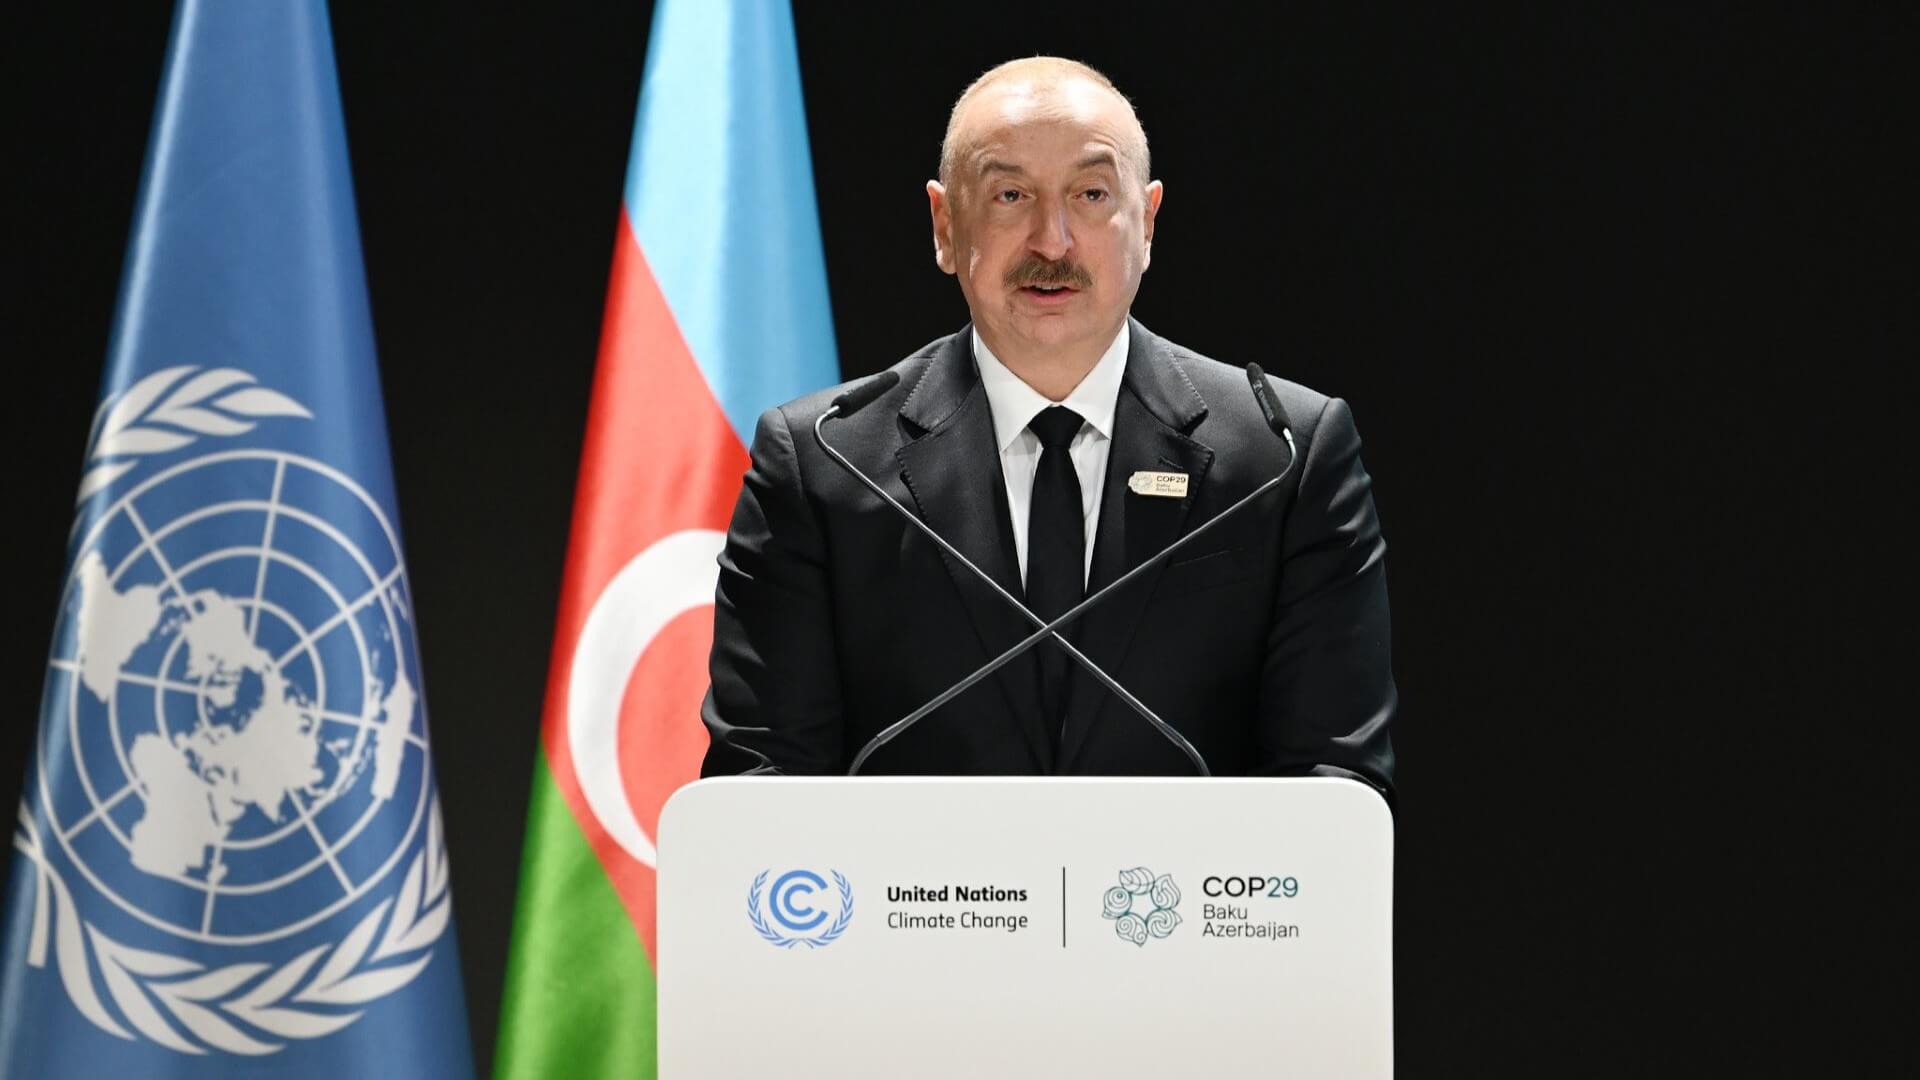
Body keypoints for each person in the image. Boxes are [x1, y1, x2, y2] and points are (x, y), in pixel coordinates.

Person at [700, 57, 1395, 800]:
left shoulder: (1281, 457)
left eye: (1092, 194)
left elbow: (1332, 792)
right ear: (944, 225)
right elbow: (761, 794)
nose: (1053, 242)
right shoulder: (825, 462)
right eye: (1009, 195)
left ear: (1148, 221)